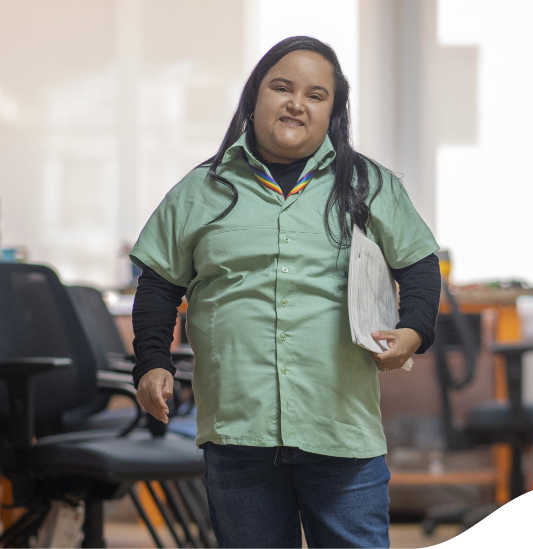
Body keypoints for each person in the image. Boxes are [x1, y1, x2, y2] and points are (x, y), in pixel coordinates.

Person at [130, 36, 441, 549]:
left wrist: (413, 331)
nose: (298, 102)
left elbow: (421, 265)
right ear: (254, 97)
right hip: (237, 427)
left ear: (332, 113)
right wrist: (151, 361)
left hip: (339, 426)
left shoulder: (368, 185)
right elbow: (160, 285)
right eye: (282, 87)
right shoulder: (199, 190)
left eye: (317, 95)